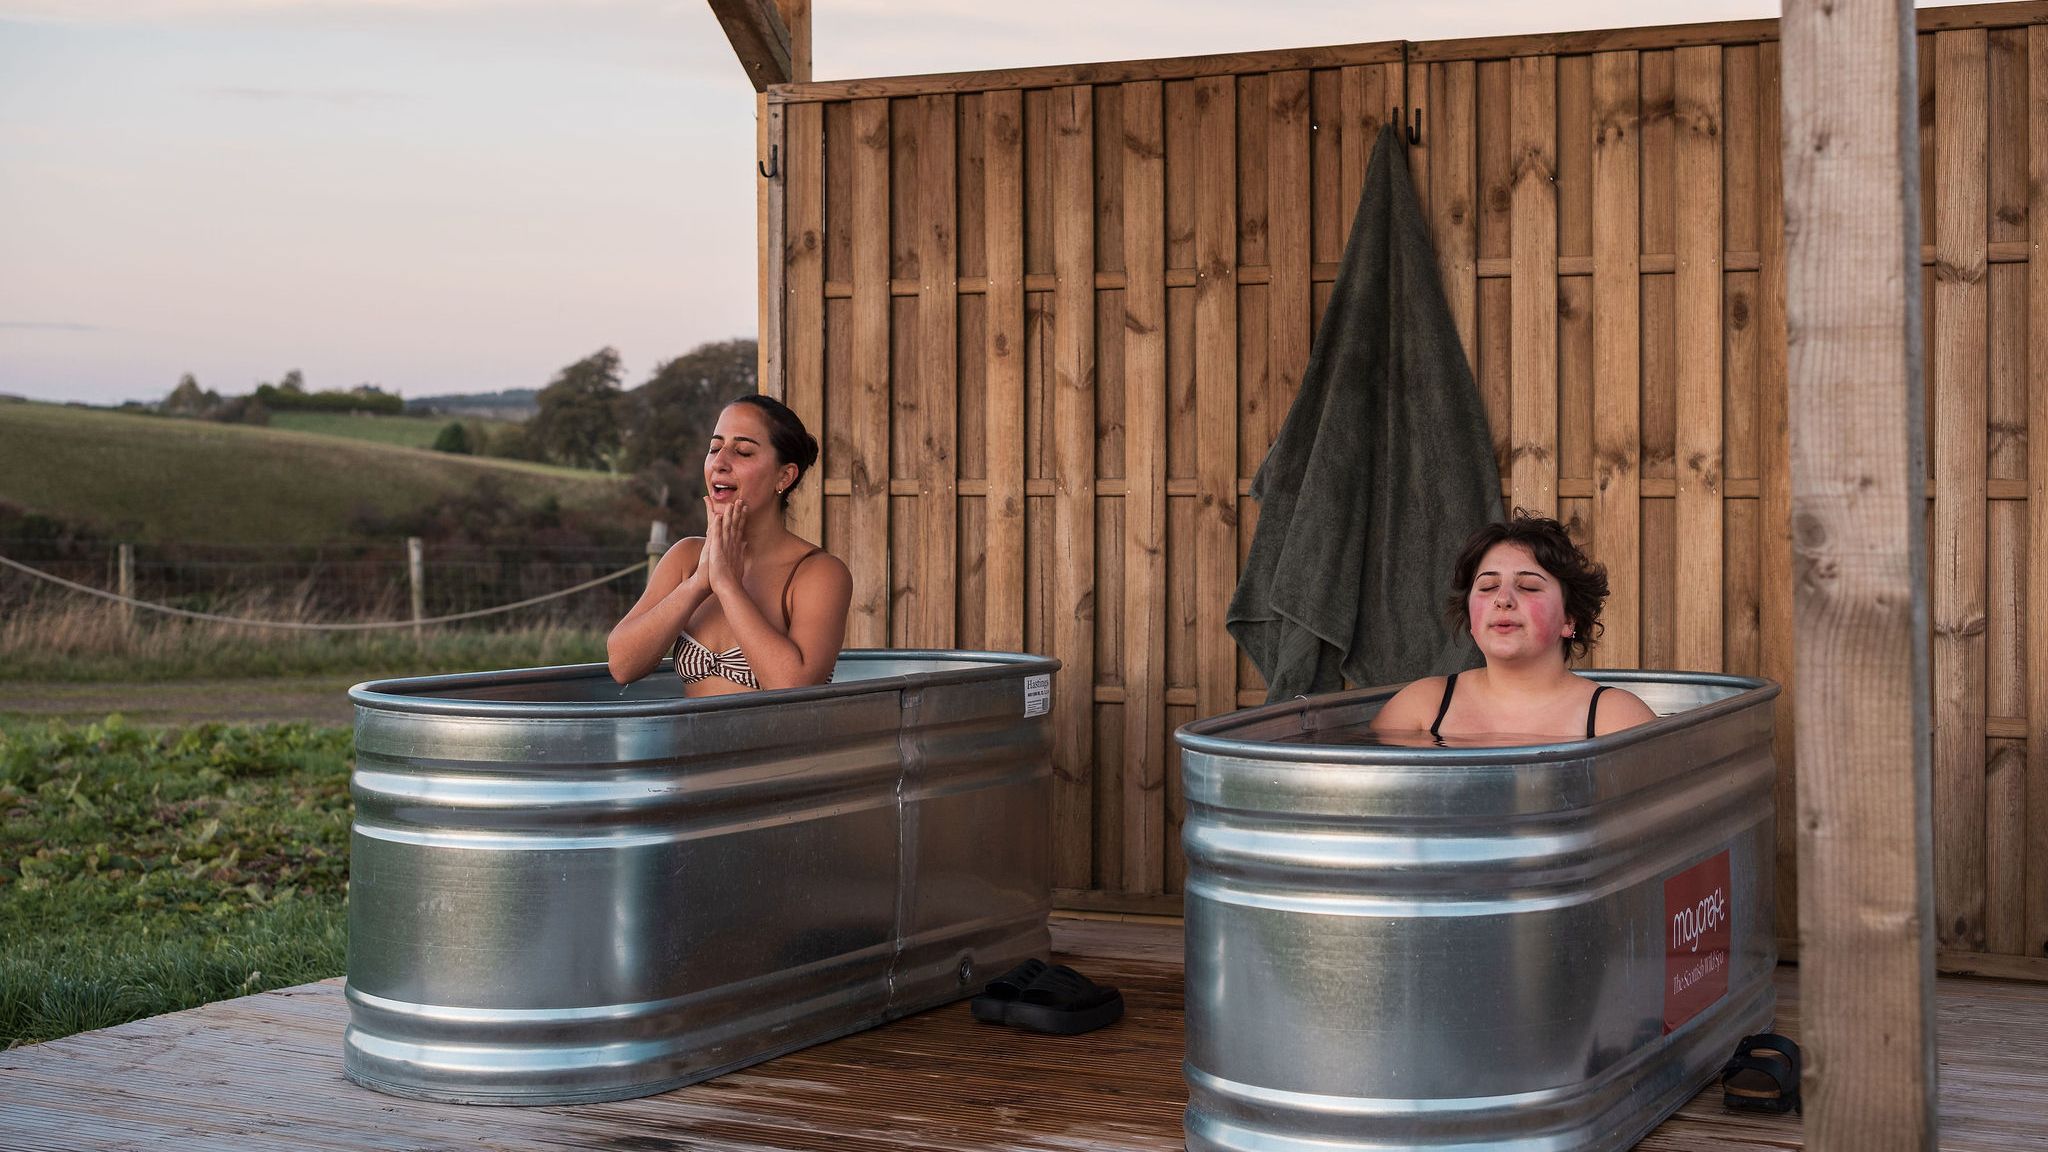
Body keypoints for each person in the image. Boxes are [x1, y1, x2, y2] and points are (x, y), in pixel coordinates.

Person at [607, 394, 852, 694]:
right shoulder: (687, 557)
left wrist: (727, 586)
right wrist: (698, 583)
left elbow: (793, 689)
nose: (720, 463)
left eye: (743, 452)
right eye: (714, 448)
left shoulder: (819, 573)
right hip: (691, 743)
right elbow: (622, 665)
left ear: (785, 476)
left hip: (781, 743)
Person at [1370, 513, 1655, 743]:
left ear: (1569, 619)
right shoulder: (1420, 708)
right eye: (1488, 586)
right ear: (1471, 618)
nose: (1503, 599)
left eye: (1529, 587)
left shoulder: (1616, 719)